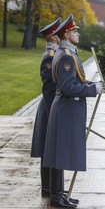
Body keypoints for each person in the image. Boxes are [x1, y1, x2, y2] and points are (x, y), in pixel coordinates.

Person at [43, 14, 105, 208]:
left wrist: (91, 84)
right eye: (74, 31)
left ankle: (60, 194)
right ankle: (57, 196)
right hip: (65, 109)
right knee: (59, 153)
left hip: (65, 109)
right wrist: (92, 89)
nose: (77, 34)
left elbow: (77, 79)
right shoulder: (66, 57)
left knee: (59, 152)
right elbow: (68, 86)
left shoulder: (68, 54)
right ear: (66, 34)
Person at [31, 17, 61, 197]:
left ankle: (50, 189)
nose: (59, 37)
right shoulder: (50, 55)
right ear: (51, 36)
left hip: (51, 106)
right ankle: (49, 189)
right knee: (49, 149)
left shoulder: (55, 53)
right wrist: (53, 115)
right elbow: (49, 87)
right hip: (50, 107)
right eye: (57, 34)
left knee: (48, 149)